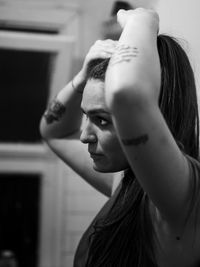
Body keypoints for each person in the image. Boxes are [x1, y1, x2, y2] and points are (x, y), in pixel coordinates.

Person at [40, 8, 200, 267]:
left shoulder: (182, 198)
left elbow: (127, 93)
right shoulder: (123, 182)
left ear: (154, 117)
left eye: (102, 120)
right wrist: (81, 79)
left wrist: (142, 19)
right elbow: (52, 131)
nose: (84, 136)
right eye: (86, 116)